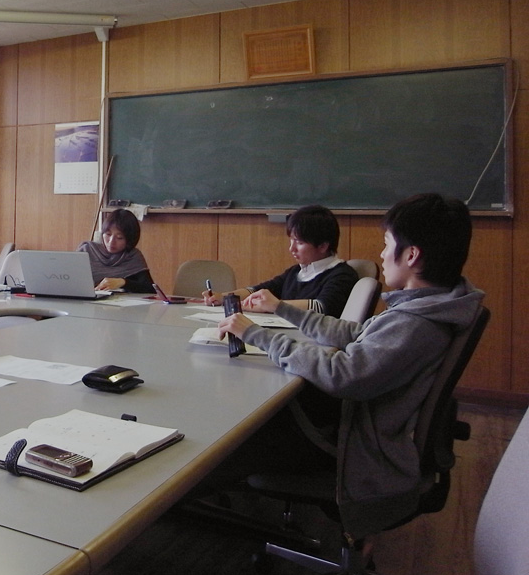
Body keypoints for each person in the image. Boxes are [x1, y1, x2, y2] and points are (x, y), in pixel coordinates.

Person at [210, 193, 484, 538]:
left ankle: (179, 510)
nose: (382, 254)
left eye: (387, 245)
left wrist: (257, 335)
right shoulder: (428, 306)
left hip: (351, 445)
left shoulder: (415, 324)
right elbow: (354, 333)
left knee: (228, 438)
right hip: (352, 423)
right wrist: (283, 310)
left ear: (411, 255)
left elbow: (342, 374)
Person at [202, 204, 358, 317]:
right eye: (291, 240)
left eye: (299, 242)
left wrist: (272, 305)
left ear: (323, 246)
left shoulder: (342, 275)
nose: (292, 248)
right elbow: (259, 290)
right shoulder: (296, 272)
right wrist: (225, 297)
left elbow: (322, 307)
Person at [77, 209, 155, 293]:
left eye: (119, 238)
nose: (111, 242)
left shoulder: (133, 256)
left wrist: (123, 282)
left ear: (130, 239)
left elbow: (150, 289)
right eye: (108, 234)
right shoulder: (87, 250)